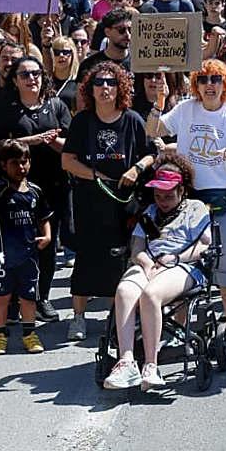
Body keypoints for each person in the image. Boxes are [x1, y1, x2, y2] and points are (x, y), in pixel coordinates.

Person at [146, 58, 226, 359]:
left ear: (225, 83)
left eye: (215, 79)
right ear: (195, 84)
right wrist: (158, 102)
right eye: (203, 79)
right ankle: (179, 329)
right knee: (183, 263)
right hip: (191, 201)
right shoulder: (186, 109)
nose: (209, 85)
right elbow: (154, 129)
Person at [62, 61, 155, 342]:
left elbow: (150, 154)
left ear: (120, 88)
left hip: (123, 202)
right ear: (90, 89)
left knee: (121, 260)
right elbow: (67, 160)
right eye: (99, 83)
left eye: (111, 83)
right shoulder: (83, 121)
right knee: (87, 258)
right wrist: (95, 175)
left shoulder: (132, 119)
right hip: (89, 201)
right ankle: (78, 317)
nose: (105, 88)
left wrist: (135, 169)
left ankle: (117, 317)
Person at [103, 154, 212, 391]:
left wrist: (174, 259)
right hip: (150, 263)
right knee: (124, 290)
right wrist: (145, 264)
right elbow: (137, 250)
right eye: (158, 195)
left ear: (181, 190)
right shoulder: (149, 213)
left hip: (184, 265)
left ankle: (151, 365)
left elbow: (203, 246)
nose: (162, 200)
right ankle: (127, 361)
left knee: (151, 295)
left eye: (168, 195)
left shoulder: (197, 209)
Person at [0, 56, 71, 323]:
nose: (31, 79)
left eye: (36, 73)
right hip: (14, 190)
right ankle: (9, 301)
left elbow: (72, 145)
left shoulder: (56, 106)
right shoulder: (5, 109)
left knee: (44, 244)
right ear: (15, 80)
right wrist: (28, 141)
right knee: (12, 246)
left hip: (51, 186)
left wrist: (53, 141)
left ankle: (40, 297)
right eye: (24, 74)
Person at [0, 139, 52, 355]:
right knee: (1, 297)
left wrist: (47, 236)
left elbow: (43, 218)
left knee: (29, 296)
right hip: (3, 256)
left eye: (24, 162)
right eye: (14, 163)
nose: (20, 167)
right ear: (3, 164)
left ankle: (30, 334)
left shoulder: (35, 191)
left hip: (29, 255)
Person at [77, 7, 132, 78]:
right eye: (121, 30)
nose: (127, 34)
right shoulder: (89, 65)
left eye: (130, 29)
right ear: (108, 32)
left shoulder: (138, 63)